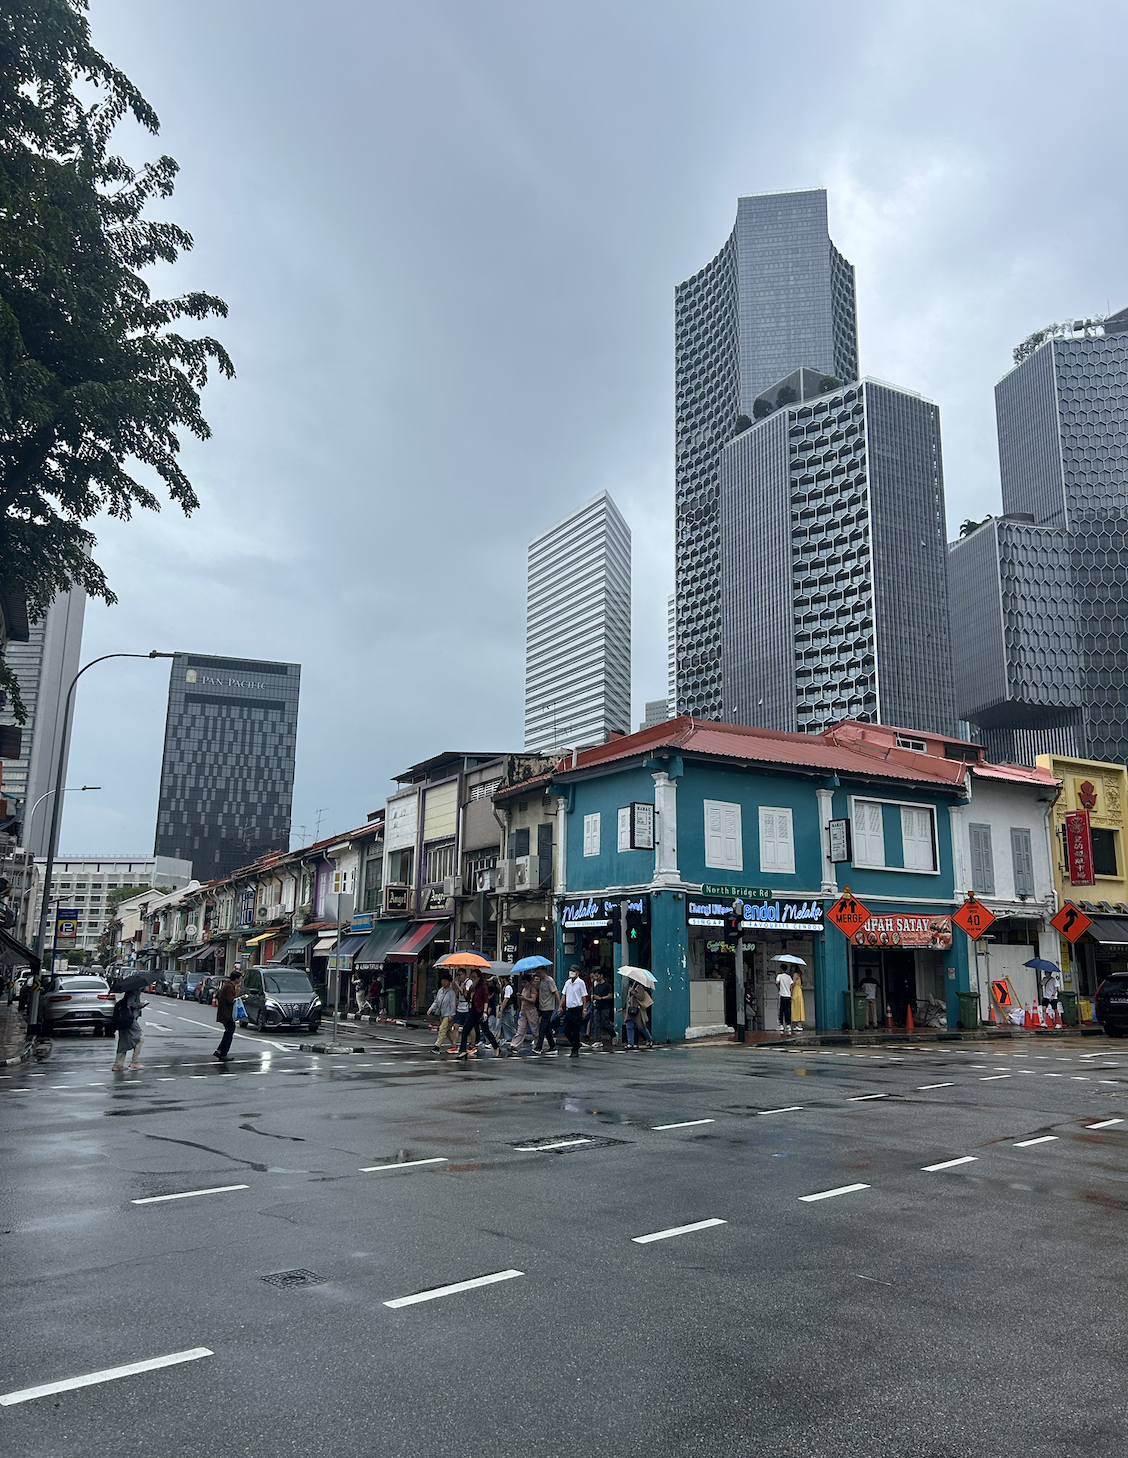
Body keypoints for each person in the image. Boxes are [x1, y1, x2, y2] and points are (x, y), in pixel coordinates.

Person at [456, 970, 505, 1059]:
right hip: (472, 1011)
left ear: (479, 978)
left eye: (475, 977)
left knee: (486, 1031)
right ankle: (463, 1050)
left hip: (480, 1011)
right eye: (472, 977)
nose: (473, 979)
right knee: (465, 1030)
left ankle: (496, 1047)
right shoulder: (472, 987)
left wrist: (485, 1012)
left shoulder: (483, 987)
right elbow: (467, 998)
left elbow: (485, 1000)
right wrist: (465, 991)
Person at [111, 985, 146, 1071]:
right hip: (130, 1019)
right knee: (140, 1038)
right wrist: (140, 1004)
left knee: (123, 1041)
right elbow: (130, 1004)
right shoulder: (135, 990)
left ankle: (118, 1064)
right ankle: (135, 1062)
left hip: (123, 1019)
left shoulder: (131, 989)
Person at [213, 970, 241, 1062]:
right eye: (240, 978)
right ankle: (223, 1053)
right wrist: (240, 998)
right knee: (229, 1032)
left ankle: (220, 1050)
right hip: (227, 1014)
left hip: (226, 1013)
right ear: (236, 978)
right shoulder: (229, 987)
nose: (240, 980)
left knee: (228, 1032)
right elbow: (230, 1000)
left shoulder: (229, 986)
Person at [560, 966, 588, 1057]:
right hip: (569, 1009)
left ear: (577, 973)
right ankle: (576, 1043)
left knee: (575, 1030)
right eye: (570, 970)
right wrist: (560, 1006)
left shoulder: (580, 983)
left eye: (573, 971)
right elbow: (564, 995)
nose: (571, 972)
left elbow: (584, 997)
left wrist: (584, 1009)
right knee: (566, 1030)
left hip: (577, 1009)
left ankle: (575, 1050)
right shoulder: (567, 982)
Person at [427, 973, 458, 1052]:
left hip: (448, 1014)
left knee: (442, 1029)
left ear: (449, 982)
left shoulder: (451, 993)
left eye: (445, 980)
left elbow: (453, 1004)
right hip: (442, 1013)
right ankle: (454, 1045)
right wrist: (431, 1009)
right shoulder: (440, 991)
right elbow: (436, 1001)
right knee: (447, 1031)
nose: (443, 982)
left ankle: (437, 1046)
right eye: (442, 980)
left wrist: (452, 1015)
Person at [510, 974, 540, 1053]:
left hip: (531, 1011)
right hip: (523, 1010)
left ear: (529, 982)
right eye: (522, 982)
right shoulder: (524, 989)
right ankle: (515, 1045)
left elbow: (533, 1000)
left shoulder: (532, 989)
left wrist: (524, 998)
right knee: (521, 1029)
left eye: (525, 982)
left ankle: (538, 1044)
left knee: (535, 1029)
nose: (523, 984)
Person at [532, 968, 559, 1053]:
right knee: (547, 1028)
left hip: (548, 1007)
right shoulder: (541, 981)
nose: (538, 975)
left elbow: (556, 992)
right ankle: (552, 1046)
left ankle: (539, 1047)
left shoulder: (549, 980)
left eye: (539, 973)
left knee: (542, 1027)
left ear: (544, 972)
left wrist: (560, 1005)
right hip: (542, 1007)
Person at [624, 979, 654, 1048]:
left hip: (638, 1010)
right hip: (630, 1009)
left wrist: (633, 992)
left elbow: (642, 997)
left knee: (641, 1027)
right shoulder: (631, 987)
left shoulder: (639, 987)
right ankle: (630, 1043)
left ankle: (649, 1039)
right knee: (629, 1025)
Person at [590, 968, 615, 1050]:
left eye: (597, 975)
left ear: (601, 976)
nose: (596, 977)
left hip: (605, 1006)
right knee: (596, 1023)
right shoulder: (596, 985)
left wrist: (601, 998)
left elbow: (610, 995)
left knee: (605, 1022)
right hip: (597, 1006)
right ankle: (597, 1040)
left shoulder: (607, 985)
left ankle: (613, 1034)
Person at [775, 966, 794, 1033]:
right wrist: (791, 994)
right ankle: (788, 1025)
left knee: (781, 1010)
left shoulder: (779, 976)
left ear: (781, 969)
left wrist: (779, 988)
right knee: (788, 1010)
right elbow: (791, 985)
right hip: (788, 995)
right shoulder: (789, 977)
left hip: (782, 994)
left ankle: (781, 1025)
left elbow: (777, 982)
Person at [789, 967, 805, 1032]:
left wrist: (790, 990)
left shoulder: (795, 975)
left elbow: (793, 983)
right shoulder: (799, 975)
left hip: (796, 992)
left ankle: (798, 1025)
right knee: (799, 1007)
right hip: (799, 992)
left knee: (796, 1007)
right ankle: (799, 1024)